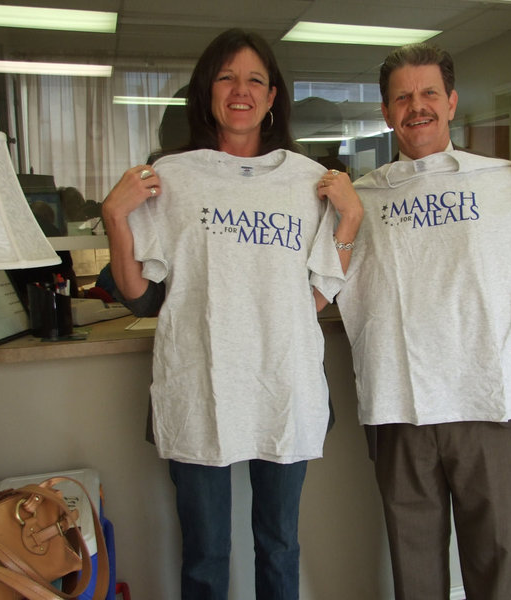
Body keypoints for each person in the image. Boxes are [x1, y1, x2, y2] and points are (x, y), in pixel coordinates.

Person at [102, 28, 362, 600]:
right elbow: (134, 288)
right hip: (200, 386)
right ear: (207, 92)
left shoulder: (308, 182)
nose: (240, 90)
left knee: (278, 545)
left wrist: (348, 222)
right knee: (205, 553)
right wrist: (116, 218)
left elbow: (315, 298)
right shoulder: (172, 177)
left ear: (273, 98)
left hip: (283, 384)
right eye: (226, 77)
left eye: (254, 80)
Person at [335, 43, 511, 600]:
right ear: (385, 112)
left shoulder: (500, 183)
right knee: (413, 555)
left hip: (485, 399)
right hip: (401, 403)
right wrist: (344, 217)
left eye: (428, 93)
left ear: (451, 103)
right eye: (402, 96)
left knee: (493, 551)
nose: (416, 106)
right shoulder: (364, 199)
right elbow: (328, 282)